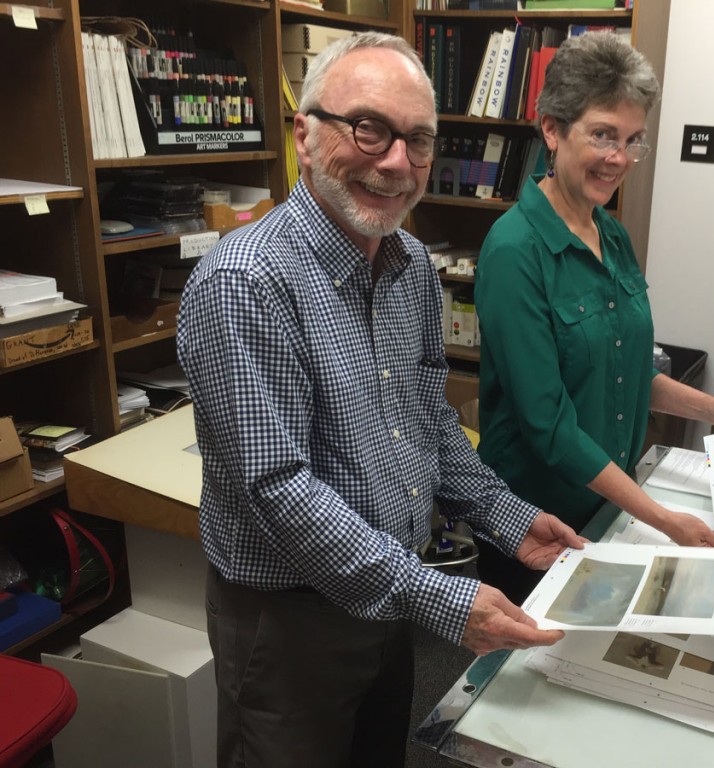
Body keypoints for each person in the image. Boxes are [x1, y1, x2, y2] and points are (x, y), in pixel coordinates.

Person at [177, 32, 584, 768]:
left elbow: (428, 426)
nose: (396, 162)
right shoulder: (245, 283)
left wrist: (509, 519)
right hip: (290, 620)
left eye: (419, 141)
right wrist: (437, 597)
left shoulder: (412, 267)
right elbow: (279, 491)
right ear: (304, 132)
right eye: (369, 128)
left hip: (388, 594)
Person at [474, 31, 714, 605]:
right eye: (603, 135)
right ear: (551, 128)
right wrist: (665, 520)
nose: (619, 158)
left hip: (607, 504)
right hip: (538, 525)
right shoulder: (515, 250)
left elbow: (625, 371)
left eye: (634, 140)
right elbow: (549, 426)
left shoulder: (610, 234)